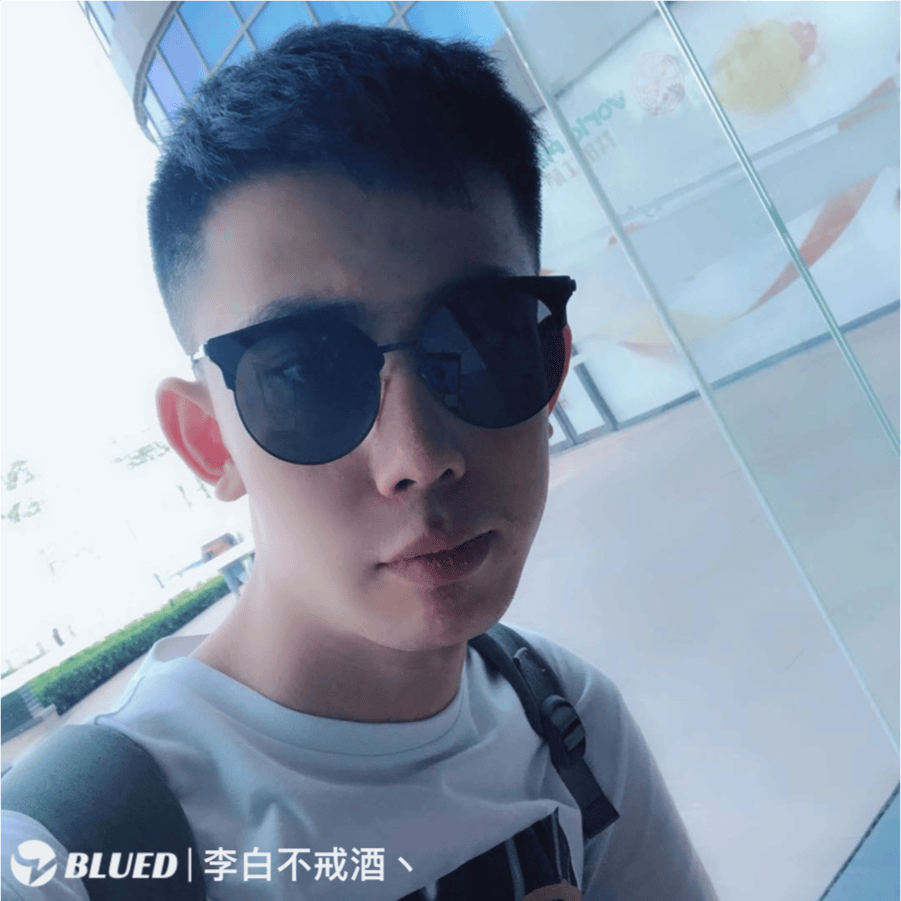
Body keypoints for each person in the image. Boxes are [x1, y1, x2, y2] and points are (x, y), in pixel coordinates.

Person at [0, 23, 718, 900]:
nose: (418, 456)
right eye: (304, 374)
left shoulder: (567, 722)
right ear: (206, 440)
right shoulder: (72, 852)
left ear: (553, 362)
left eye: (484, 340)